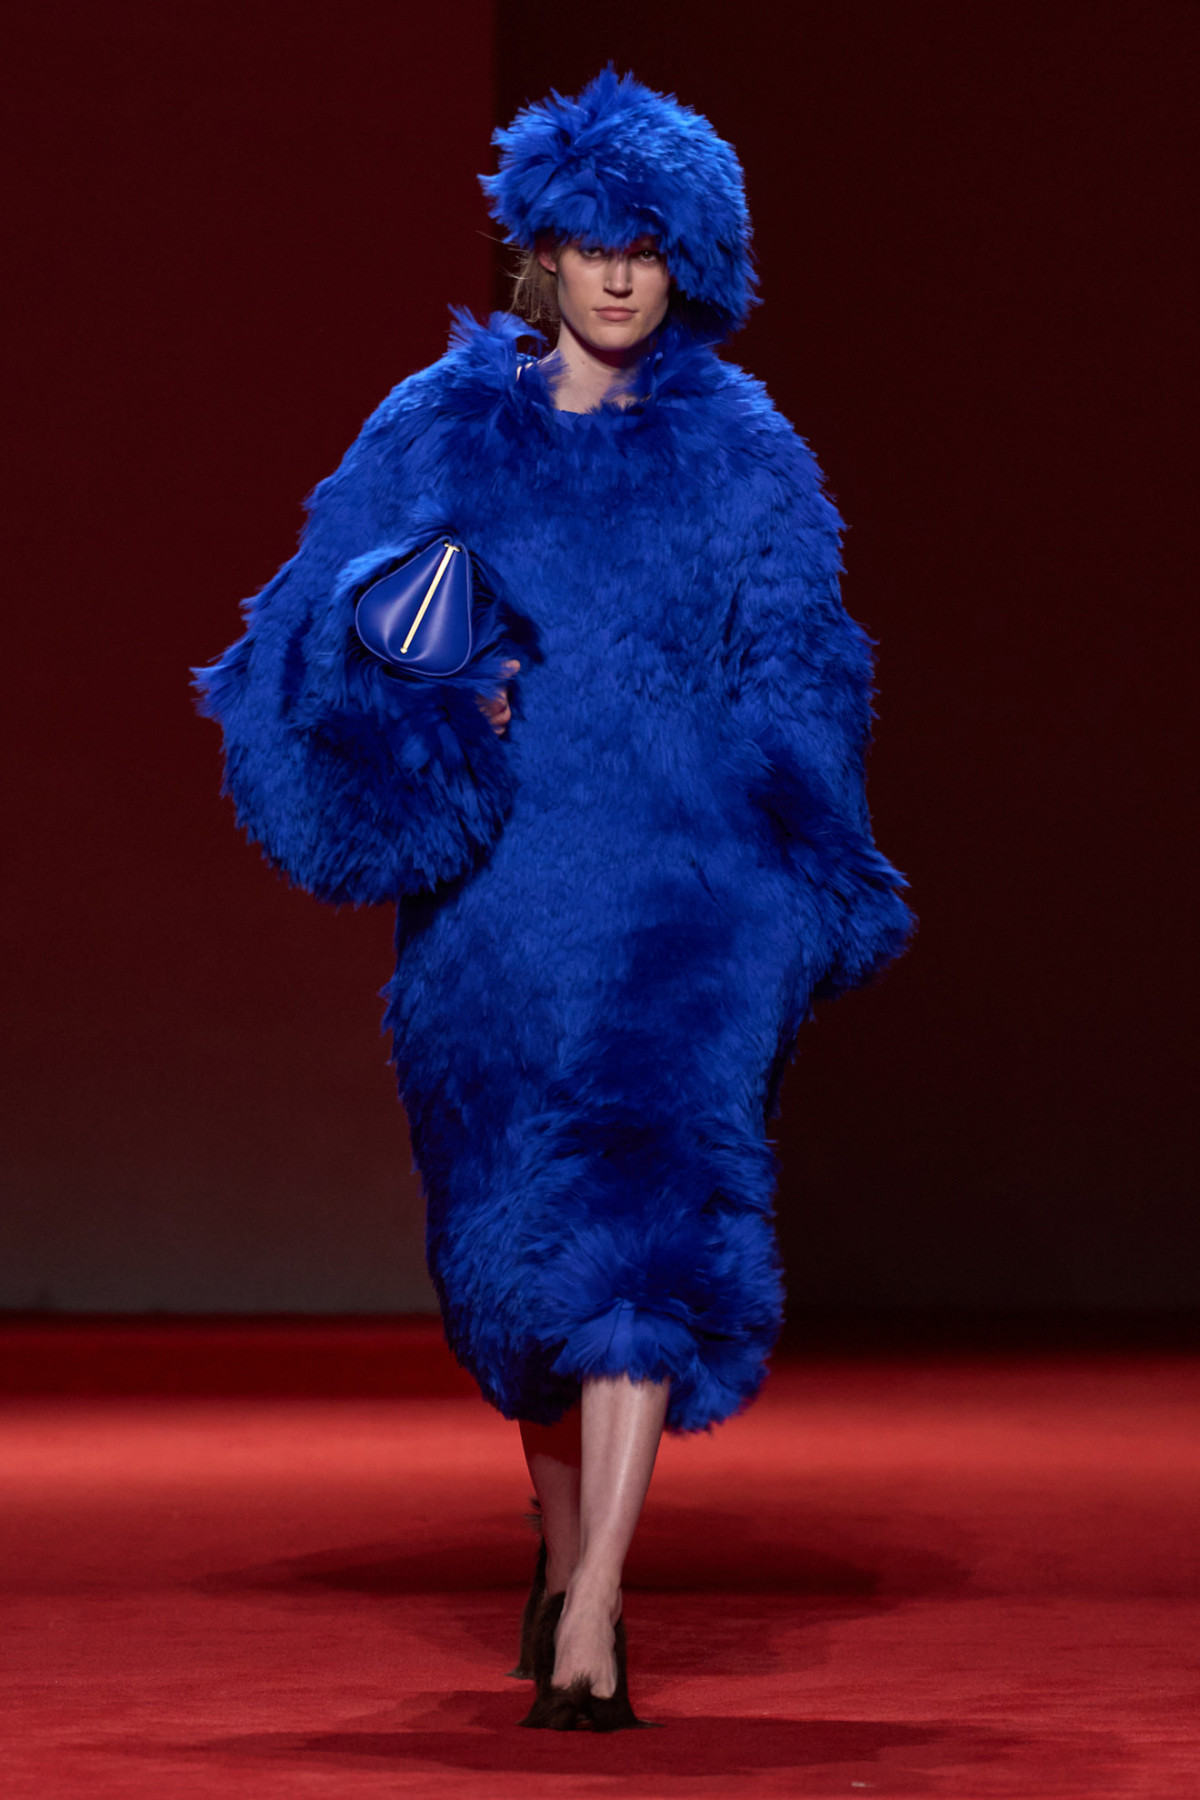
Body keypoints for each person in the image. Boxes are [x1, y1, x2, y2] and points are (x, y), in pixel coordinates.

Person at [193, 68, 913, 1731]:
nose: (616, 275)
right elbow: (304, 637)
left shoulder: (747, 457)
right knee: (520, 1263)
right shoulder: (438, 427)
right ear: (541, 249)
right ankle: (561, 1553)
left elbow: (807, 674)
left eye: (646, 247)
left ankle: (596, 1605)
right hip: (500, 910)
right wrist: (425, 705)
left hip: (689, 897)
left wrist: (798, 882)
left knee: (646, 1231)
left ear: (690, 261)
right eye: (590, 242)